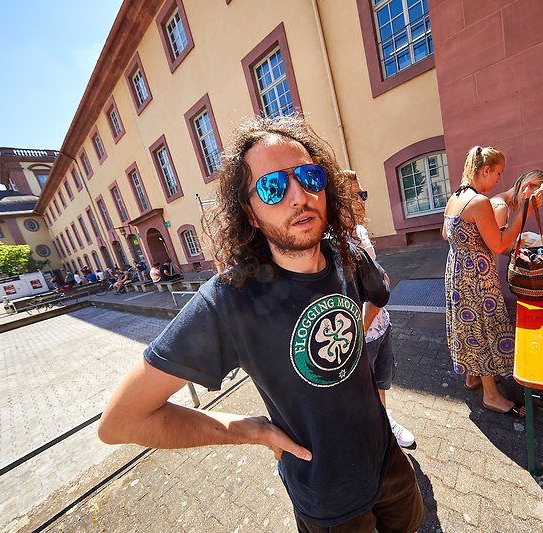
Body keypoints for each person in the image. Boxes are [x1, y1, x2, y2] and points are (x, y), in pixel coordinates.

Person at [98, 115, 424, 532]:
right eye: (273, 187)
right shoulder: (228, 300)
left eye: (309, 177)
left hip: (388, 463)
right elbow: (121, 421)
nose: (299, 196)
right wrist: (250, 431)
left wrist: (355, 340)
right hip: (326, 498)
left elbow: (378, 295)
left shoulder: (347, 255)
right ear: (250, 214)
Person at [443, 146, 543, 418]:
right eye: (498, 173)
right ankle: (491, 396)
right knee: (484, 330)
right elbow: (498, 245)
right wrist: (526, 211)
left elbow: (445, 234)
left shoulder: (455, 198)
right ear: (486, 170)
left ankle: (472, 377)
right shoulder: (478, 202)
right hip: (477, 277)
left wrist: (467, 244)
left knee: (469, 326)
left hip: (457, 272)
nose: (499, 179)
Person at [343, 169, 415, 448]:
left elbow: (380, 280)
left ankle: (385, 422)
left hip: (381, 325)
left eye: (363, 194)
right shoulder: (332, 242)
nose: (361, 201)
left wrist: (380, 284)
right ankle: (371, 439)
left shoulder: (360, 232)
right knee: (361, 391)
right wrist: (360, 330)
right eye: (353, 196)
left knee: (381, 383)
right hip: (360, 335)